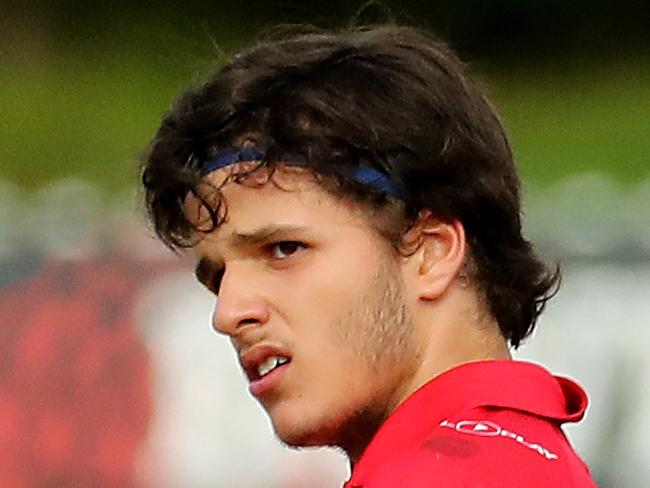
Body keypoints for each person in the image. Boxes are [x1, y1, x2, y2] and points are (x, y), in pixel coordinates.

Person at [141, 25, 597, 487]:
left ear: (431, 253)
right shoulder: (525, 459)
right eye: (218, 277)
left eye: (283, 250)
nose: (229, 312)